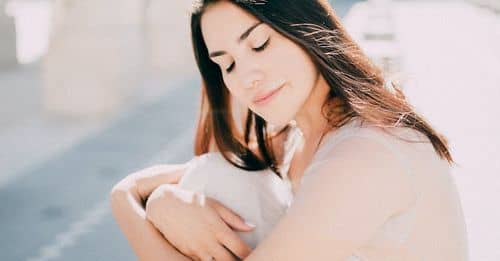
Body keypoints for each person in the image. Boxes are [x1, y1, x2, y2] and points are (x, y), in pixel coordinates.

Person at [110, 0, 469, 260]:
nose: (247, 76)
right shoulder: (295, 137)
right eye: (228, 64)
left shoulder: (364, 154)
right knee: (215, 175)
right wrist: (157, 200)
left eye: (260, 44)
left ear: (304, 28)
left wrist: (125, 205)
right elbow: (170, 181)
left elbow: (142, 191)